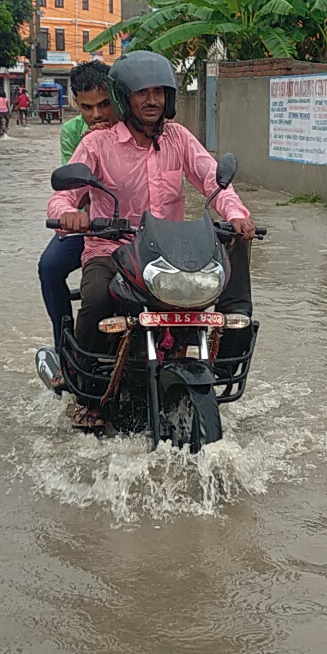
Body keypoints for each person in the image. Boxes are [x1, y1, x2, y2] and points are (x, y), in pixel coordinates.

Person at [47, 51, 254, 428]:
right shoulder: (97, 145)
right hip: (111, 249)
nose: (152, 100)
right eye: (143, 92)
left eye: (159, 91)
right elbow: (65, 193)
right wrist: (69, 213)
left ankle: (213, 366)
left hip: (168, 251)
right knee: (94, 301)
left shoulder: (178, 138)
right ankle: (87, 392)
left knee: (212, 301)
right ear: (125, 97)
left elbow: (212, 179)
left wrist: (236, 214)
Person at [36, 61, 118, 349]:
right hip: (92, 226)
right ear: (76, 104)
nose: (97, 114)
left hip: (137, 229)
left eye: (105, 104)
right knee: (49, 267)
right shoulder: (73, 134)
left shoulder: (137, 128)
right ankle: (64, 347)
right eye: (87, 107)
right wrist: (90, 146)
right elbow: (75, 194)